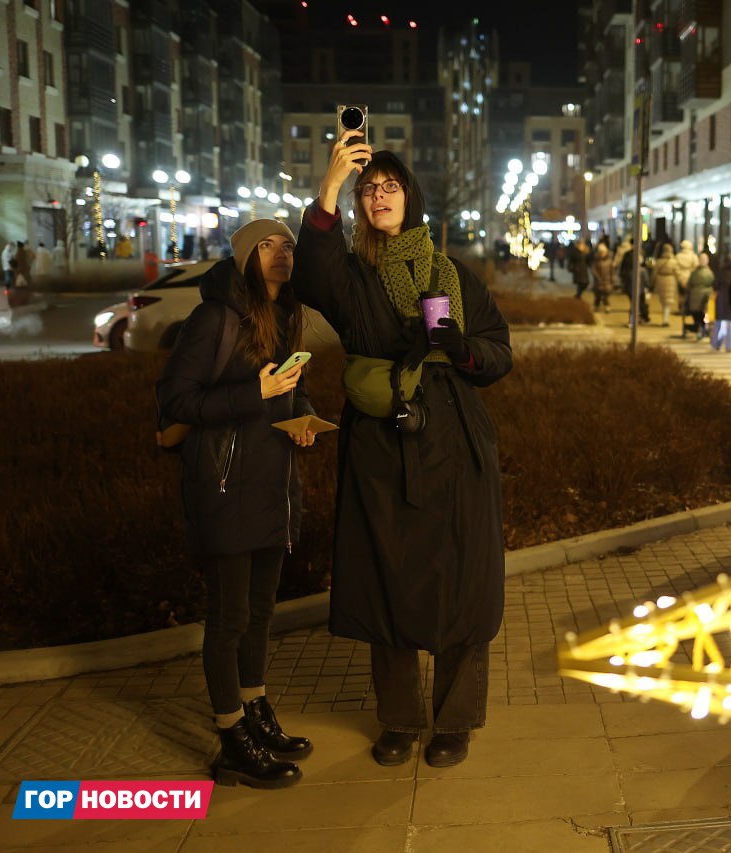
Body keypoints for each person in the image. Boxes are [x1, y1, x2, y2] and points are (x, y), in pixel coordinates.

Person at [293, 132, 512, 770]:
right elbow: (311, 274)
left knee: (460, 582)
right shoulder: (350, 275)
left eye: (389, 186)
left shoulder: (453, 274)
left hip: (454, 443)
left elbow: (499, 353)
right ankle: (398, 718)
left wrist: (461, 346)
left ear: (409, 197)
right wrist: (330, 184)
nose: (379, 195)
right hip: (382, 447)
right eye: (370, 188)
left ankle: (456, 720)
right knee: (385, 577)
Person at [157, 219, 318, 789]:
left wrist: (301, 419)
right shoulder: (214, 319)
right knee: (227, 620)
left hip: (273, 487)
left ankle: (255, 710)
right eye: (268, 246)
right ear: (246, 256)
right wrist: (256, 393)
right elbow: (177, 398)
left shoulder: (286, 317)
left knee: (260, 612)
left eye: (288, 245)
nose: (282, 254)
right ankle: (230, 740)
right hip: (223, 487)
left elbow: (290, 390)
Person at [709, 255, 731, 351]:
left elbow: (715, 286)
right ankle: (730, 345)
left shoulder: (721, 273)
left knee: (719, 324)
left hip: (722, 301)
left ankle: (716, 344)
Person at [683, 252, 714, 339]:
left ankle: (698, 328)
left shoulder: (694, 272)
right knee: (702, 314)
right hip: (705, 296)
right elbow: (712, 282)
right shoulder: (709, 272)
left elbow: (689, 283)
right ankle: (702, 329)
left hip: (694, 297)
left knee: (696, 314)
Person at [651, 243, 680, 328]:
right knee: (668, 301)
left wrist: (652, 283)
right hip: (671, 280)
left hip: (661, 281)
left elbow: (654, 273)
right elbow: (677, 272)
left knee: (663, 301)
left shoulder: (659, 261)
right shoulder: (674, 261)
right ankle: (665, 319)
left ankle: (665, 319)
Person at [591, 243, 614, 313]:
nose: (602, 253)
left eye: (603, 252)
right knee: (598, 295)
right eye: (601, 252)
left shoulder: (609, 261)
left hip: (607, 281)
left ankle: (607, 306)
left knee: (605, 295)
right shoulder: (596, 261)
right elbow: (593, 270)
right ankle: (596, 306)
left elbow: (612, 271)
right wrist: (597, 277)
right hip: (598, 281)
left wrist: (612, 279)